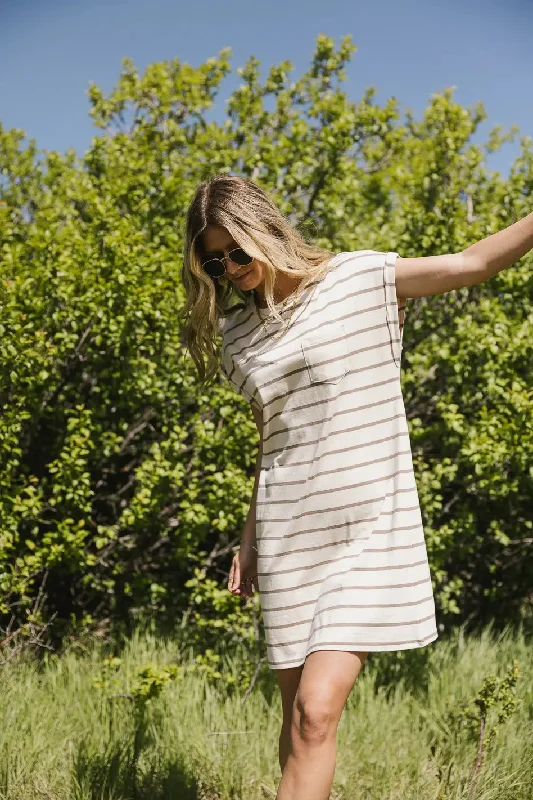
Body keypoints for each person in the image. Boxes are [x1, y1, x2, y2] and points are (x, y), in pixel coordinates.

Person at [181, 173, 533, 800]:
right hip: (289, 532)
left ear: (264, 230)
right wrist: (249, 539)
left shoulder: (359, 278)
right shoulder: (239, 338)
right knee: (297, 726)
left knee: (317, 709)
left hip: (368, 526)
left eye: (236, 250)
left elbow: (473, 262)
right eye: (213, 261)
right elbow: (271, 443)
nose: (229, 268)